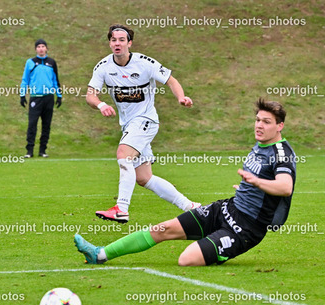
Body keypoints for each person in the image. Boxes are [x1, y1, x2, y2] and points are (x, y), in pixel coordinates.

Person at [75, 99, 295, 267]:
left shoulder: (281, 153)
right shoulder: (260, 145)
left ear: (280, 126)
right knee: (162, 229)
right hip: (227, 208)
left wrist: (256, 182)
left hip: (246, 228)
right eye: (258, 120)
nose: (259, 125)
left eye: (266, 122)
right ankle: (99, 254)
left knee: (186, 259)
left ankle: (217, 245)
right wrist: (248, 189)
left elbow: (285, 187)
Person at [86, 24, 199, 223]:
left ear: (129, 43)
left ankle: (121, 208)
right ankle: (191, 207)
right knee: (144, 178)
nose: (117, 43)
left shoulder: (145, 63)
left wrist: (181, 97)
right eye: (113, 40)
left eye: (122, 40)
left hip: (146, 121)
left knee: (123, 155)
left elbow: (171, 80)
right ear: (110, 43)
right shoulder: (103, 66)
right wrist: (101, 104)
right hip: (129, 125)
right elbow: (90, 95)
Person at [20, 38, 61, 158]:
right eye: (38, 47)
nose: (41, 49)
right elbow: (25, 80)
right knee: (32, 124)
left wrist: (59, 96)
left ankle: (42, 150)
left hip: (48, 98)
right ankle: (29, 151)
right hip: (35, 97)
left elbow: (55, 80)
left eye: (43, 46)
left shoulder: (51, 62)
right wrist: (22, 95)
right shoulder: (30, 62)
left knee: (46, 125)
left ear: (46, 48)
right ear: (35, 49)